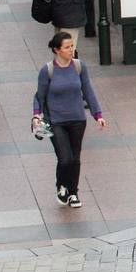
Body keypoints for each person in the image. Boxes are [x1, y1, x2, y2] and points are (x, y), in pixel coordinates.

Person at [31, 31, 104, 208]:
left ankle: (73, 193)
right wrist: (36, 114)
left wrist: (98, 114)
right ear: (57, 50)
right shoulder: (47, 70)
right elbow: (39, 95)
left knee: (75, 158)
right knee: (65, 158)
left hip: (77, 120)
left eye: (72, 46)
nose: (71, 49)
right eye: (67, 47)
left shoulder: (79, 67)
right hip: (56, 121)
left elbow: (88, 91)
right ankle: (61, 186)